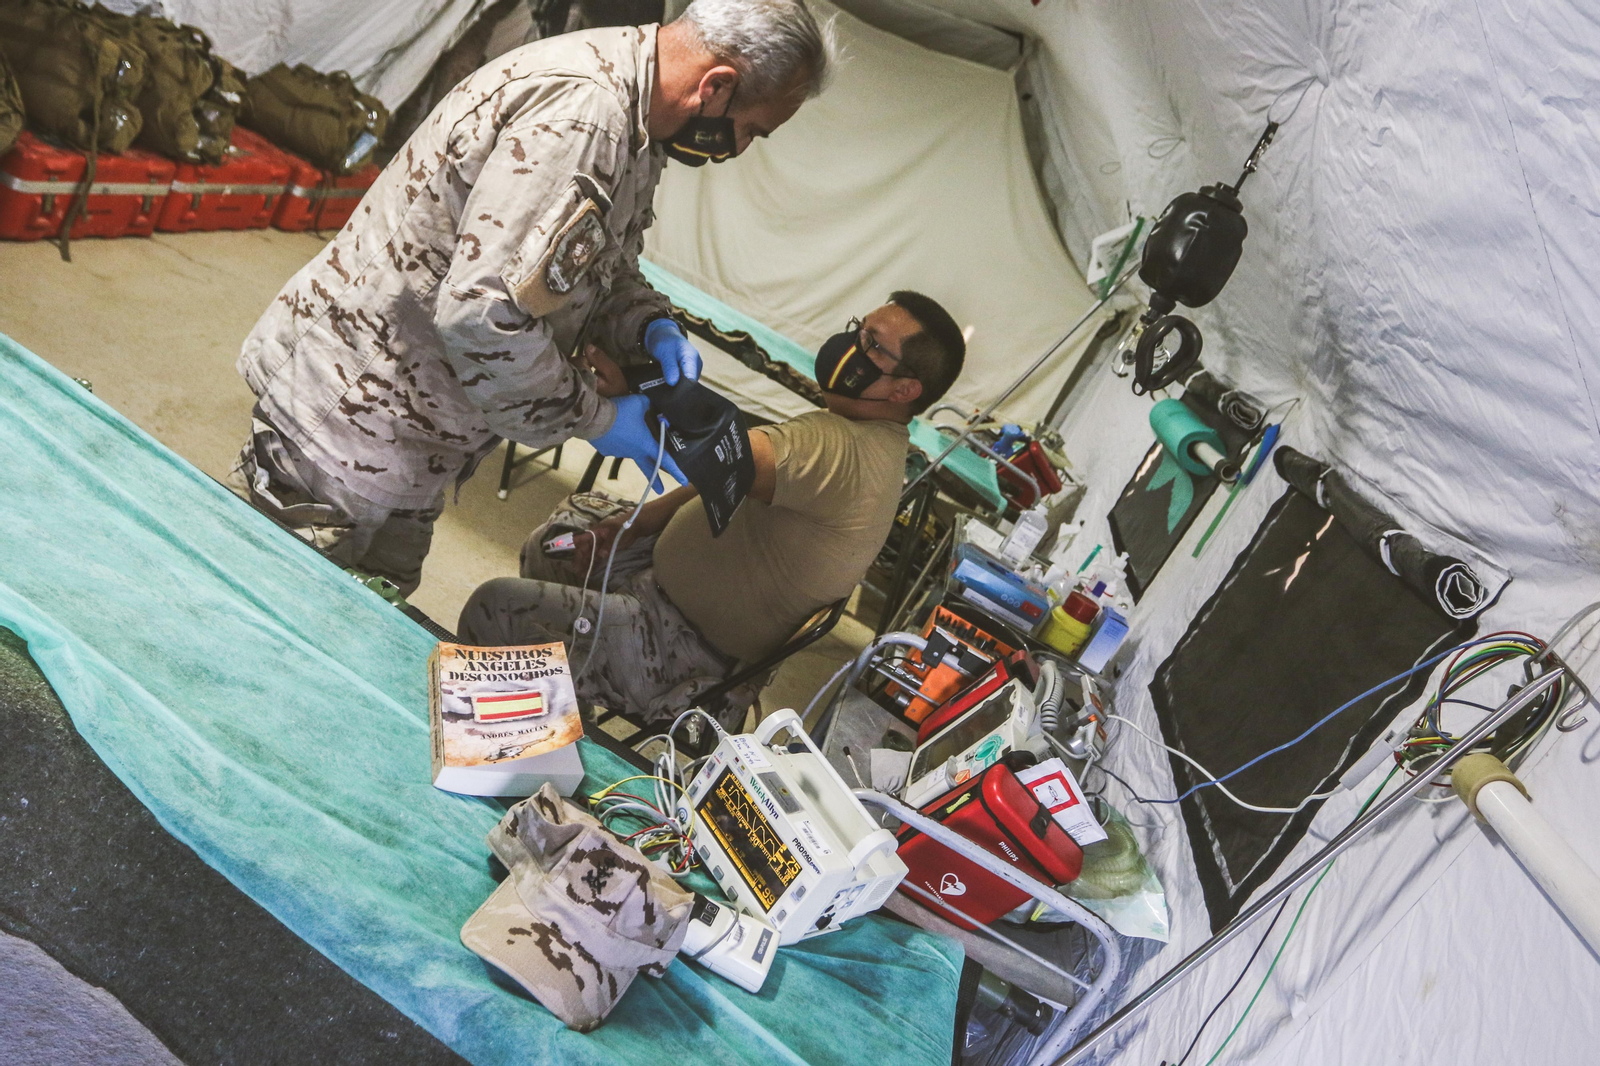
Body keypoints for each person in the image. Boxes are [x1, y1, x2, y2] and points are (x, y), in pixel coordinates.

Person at [231, 0, 834, 595]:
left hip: (419, 430)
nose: (742, 148)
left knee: (369, 609)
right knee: (263, 612)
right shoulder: (585, 112)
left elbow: (602, 260)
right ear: (717, 85)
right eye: (752, 129)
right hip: (351, 421)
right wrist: (595, 419)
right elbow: (484, 317)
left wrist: (649, 326)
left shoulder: (640, 122)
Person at [458, 292, 967, 726]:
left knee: (496, 606)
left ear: (904, 390)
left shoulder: (840, 447)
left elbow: (725, 455)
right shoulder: (862, 434)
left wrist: (639, 392)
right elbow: (738, 479)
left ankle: (513, 752)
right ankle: (555, 708)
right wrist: (643, 521)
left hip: (683, 651)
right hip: (669, 588)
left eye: (873, 347)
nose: (852, 346)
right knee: (561, 539)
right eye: (861, 330)